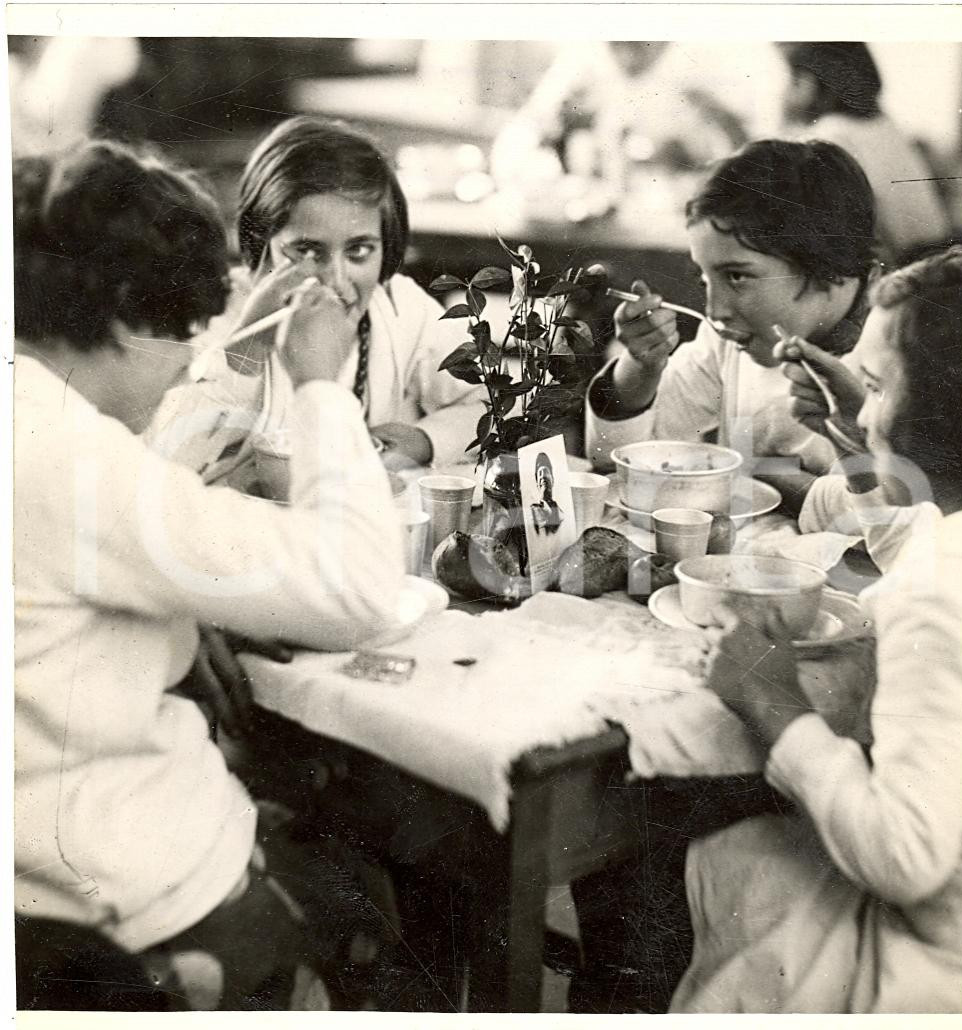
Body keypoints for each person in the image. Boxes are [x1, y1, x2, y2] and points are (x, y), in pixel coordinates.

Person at [13, 140, 406, 1009]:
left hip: (39, 870)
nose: (191, 363)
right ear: (121, 317)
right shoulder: (70, 462)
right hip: (125, 899)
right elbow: (361, 588)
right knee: (382, 896)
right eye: (182, 339)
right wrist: (319, 389)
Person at [671, 246, 962, 1013]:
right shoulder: (959, 543)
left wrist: (773, 702)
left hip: (948, 968)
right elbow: (919, 537)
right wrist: (858, 445)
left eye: (874, 385)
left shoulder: (938, 593)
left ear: (949, 407)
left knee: (721, 863)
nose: (862, 405)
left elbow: (904, 857)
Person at [149, 116, 484, 489]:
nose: (335, 281)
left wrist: (427, 440)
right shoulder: (214, 313)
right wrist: (248, 349)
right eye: (307, 251)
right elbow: (166, 459)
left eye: (359, 251)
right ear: (261, 244)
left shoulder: (400, 307)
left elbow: (487, 402)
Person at [586, 138, 879, 512]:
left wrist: (767, 476)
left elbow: (893, 522)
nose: (714, 310)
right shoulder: (727, 339)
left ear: (827, 266)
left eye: (737, 277)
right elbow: (621, 464)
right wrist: (640, 369)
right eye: (706, 279)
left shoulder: (902, 350)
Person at [491, 41, 779, 199]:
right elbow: (529, 128)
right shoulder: (584, 56)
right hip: (598, 203)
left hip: (682, 205)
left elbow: (751, 153)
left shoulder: (712, 56)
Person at [777, 42, 952, 266]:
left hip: (900, 267)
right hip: (933, 256)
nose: (782, 90)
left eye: (792, 79)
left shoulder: (829, 134)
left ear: (810, 82)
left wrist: (785, 120)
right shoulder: (883, 123)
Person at [529, 452, 565, 536]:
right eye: (540, 473)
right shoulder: (532, 512)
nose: (543, 476)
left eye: (546, 472)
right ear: (537, 484)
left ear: (553, 480)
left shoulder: (562, 515)